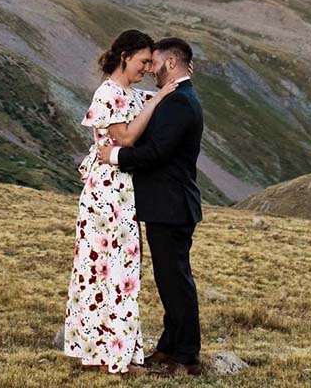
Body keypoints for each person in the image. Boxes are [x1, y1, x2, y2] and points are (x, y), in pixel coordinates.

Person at [63, 29, 181, 376]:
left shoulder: (130, 94)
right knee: (110, 269)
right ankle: (112, 358)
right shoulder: (107, 95)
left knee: (116, 270)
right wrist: (158, 100)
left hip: (122, 192)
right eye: (143, 61)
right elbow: (125, 136)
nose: (147, 68)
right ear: (126, 55)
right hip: (107, 194)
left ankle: (110, 353)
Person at [98, 37, 204, 377]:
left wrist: (114, 156)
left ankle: (186, 356)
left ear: (170, 64)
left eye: (154, 63)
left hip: (170, 206)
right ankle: (169, 346)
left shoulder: (179, 103)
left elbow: (156, 152)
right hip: (168, 205)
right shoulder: (178, 97)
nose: (150, 70)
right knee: (169, 279)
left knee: (175, 281)